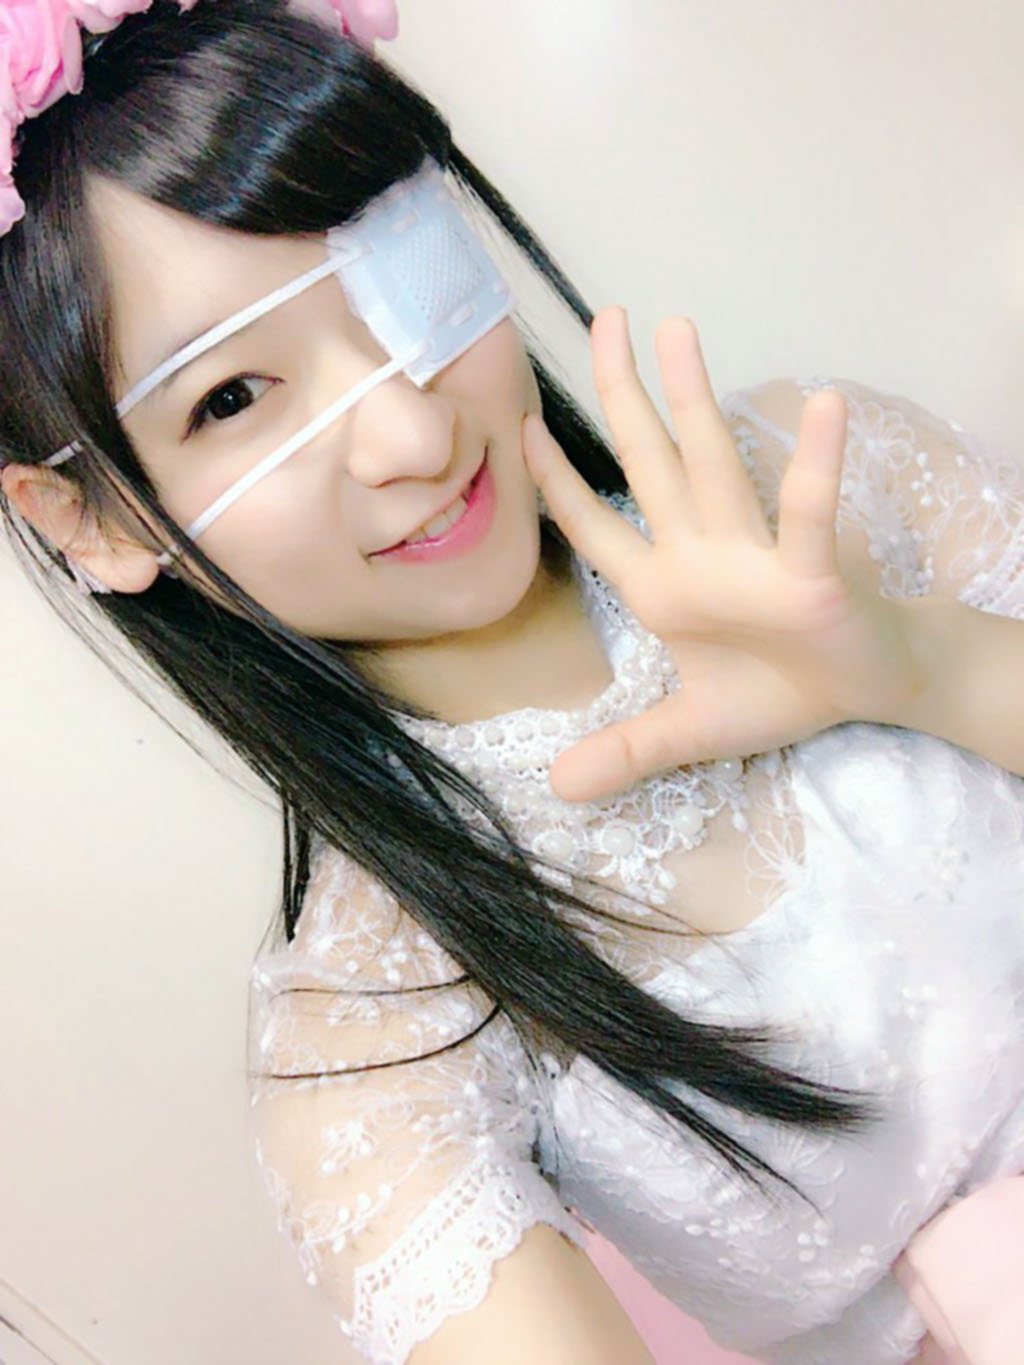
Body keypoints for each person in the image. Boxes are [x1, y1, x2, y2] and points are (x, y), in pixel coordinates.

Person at [1, 2, 1021, 1362]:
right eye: (232, 397)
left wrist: (916, 663)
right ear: (94, 523)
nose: (413, 432)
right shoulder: (372, 1032)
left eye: (392, 271)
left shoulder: (819, 478)